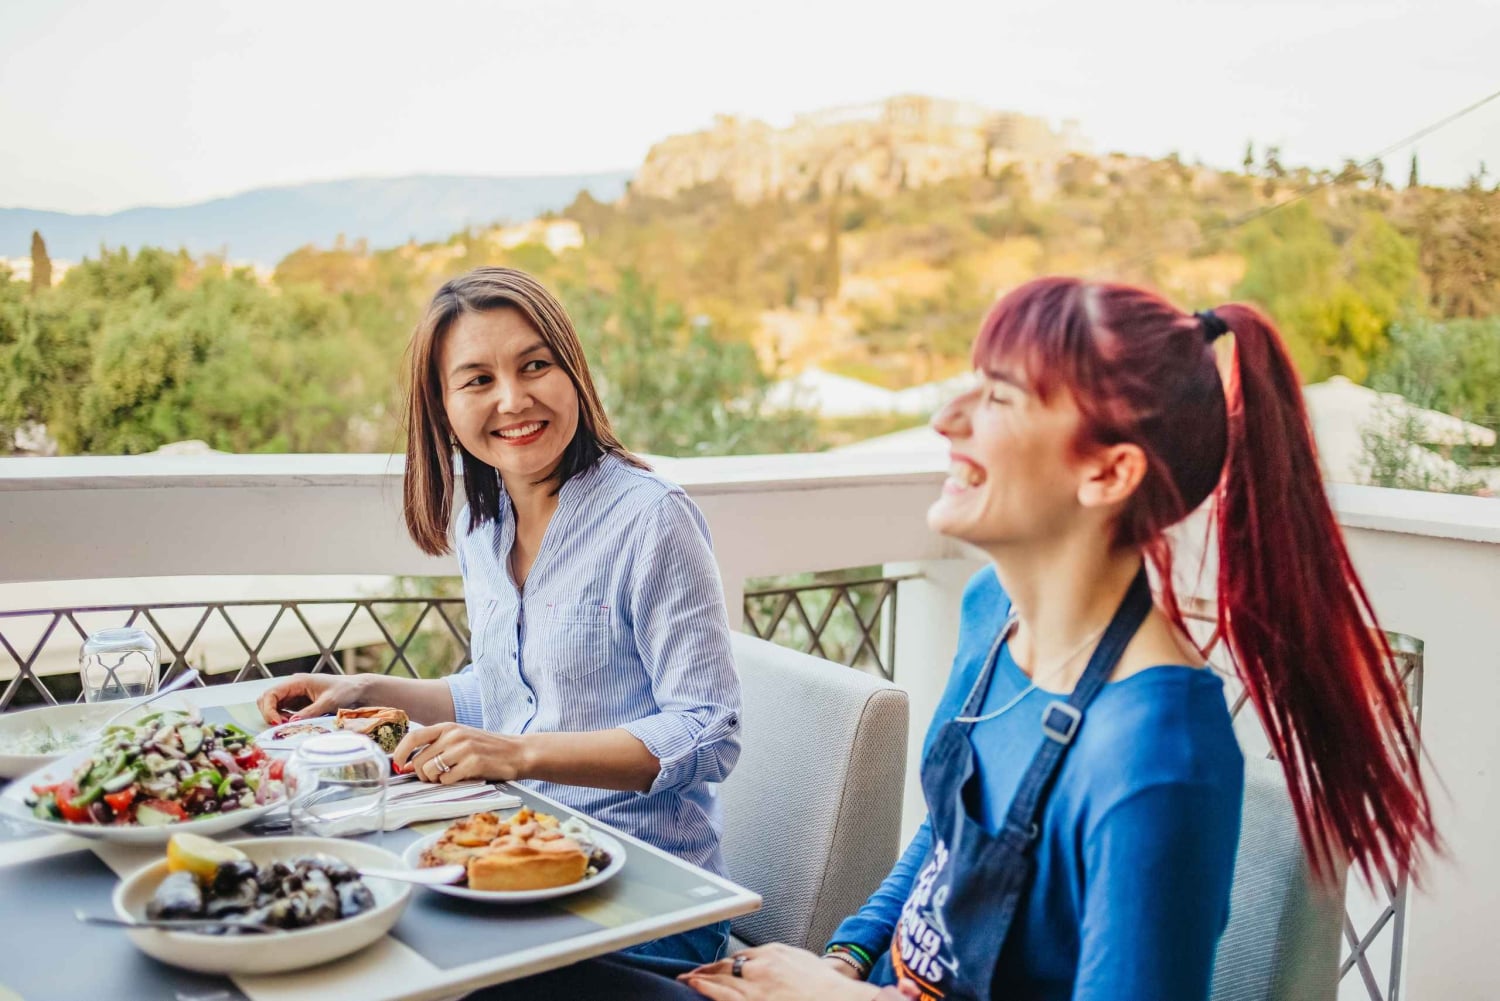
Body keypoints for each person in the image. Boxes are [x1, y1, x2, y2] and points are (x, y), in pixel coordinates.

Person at [487, 275, 1437, 1001]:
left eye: (1000, 399)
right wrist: (846, 957)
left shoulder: (1160, 753)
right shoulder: (994, 611)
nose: (947, 419)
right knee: (502, 973)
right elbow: (946, 844)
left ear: (1107, 472)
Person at [256, 266, 743, 971]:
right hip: (511, 859)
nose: (513, 399)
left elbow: (708, 729)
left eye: (534, 365)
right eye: (478, 379)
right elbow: (512, 694)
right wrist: (366, 693)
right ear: (444, 405)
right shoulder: (483, 526)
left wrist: (519, 754)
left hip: (645, 905)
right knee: (326, 923)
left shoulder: (651, 518)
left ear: (571, 371)